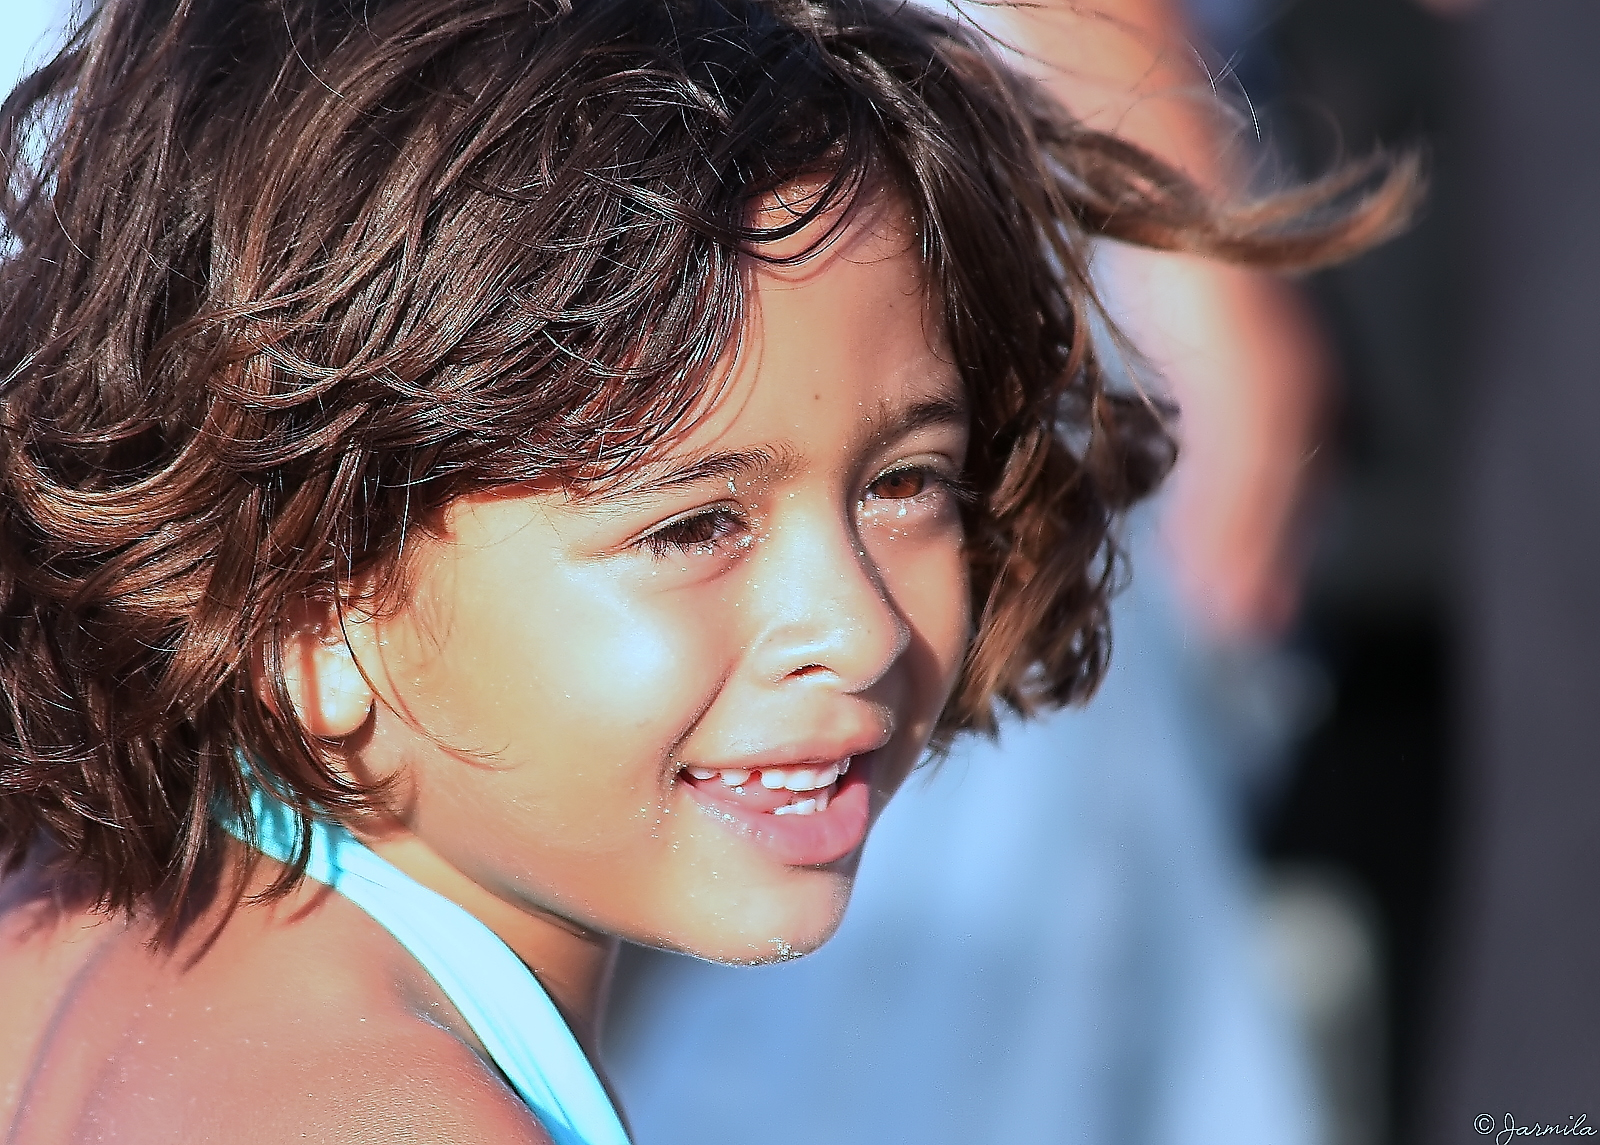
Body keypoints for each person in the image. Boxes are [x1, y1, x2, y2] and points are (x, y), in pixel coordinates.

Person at [0, 0, 1410, 1141]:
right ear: (303, 607)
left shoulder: (71, 927)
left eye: (906, 482)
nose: (854, 628)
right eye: (692, 526)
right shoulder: (401, 1115)